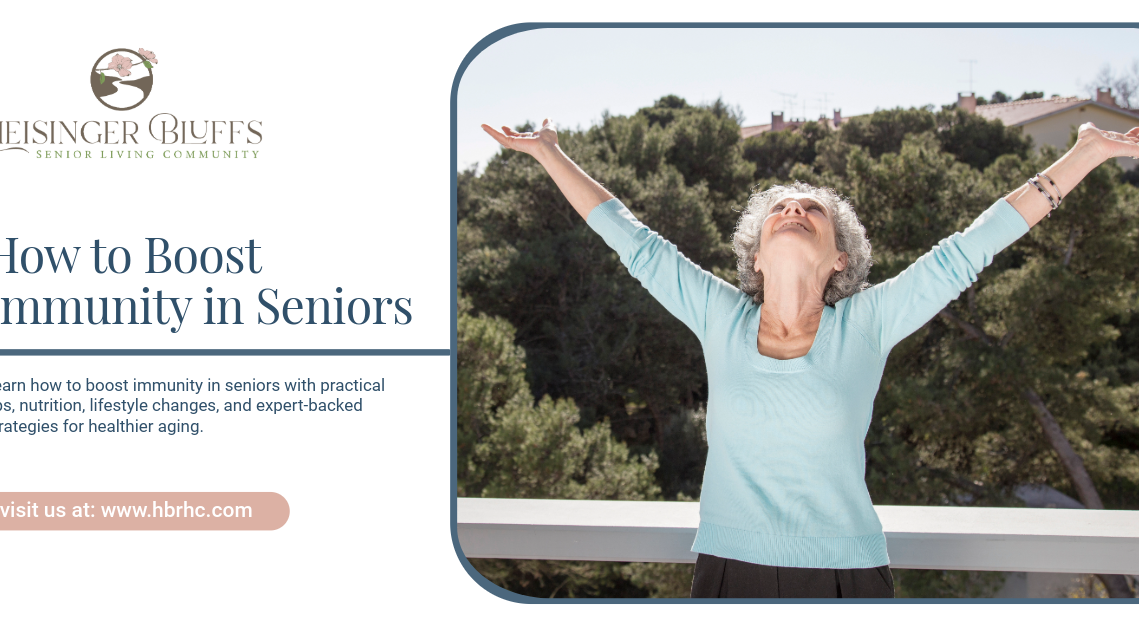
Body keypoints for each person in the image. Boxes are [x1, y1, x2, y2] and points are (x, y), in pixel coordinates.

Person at [482, 118, 1139, 598]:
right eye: (780, 209)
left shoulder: (867, 324)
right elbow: (632, 239)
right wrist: (549, 153)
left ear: (839, 259)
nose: (793, 209)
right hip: (728, 571)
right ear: (755, 258)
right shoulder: (720, 317)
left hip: (844, 575)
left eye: (812, 210)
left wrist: (1086, 152)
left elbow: (973, 245)